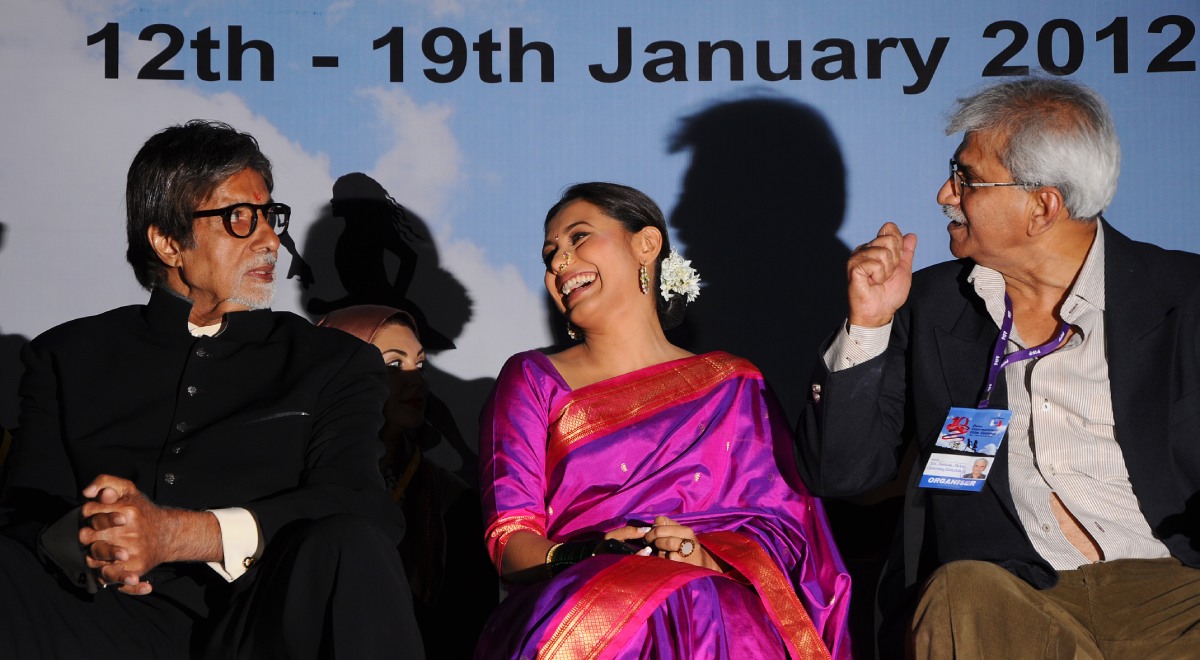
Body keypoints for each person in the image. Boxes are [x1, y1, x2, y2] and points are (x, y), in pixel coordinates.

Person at [795, 77, 1200, 657]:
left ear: (1042, 207)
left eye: (966, 178)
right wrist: (869, 324)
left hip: (1176, 593)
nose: (944, 193)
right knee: (960, 594)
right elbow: (839, 473)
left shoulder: (1185, 297)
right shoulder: (930, 306)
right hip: (1010, 600)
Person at [0, 120, 423, 659]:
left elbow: (362, 504)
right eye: (239, 218)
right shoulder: (66, 355)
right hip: (96, 621)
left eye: (270, 216)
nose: (270, 240)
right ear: (168, 242)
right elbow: (24, 513)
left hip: (261, 620)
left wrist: (183, 534)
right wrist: (97, 539)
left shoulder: (333, 361)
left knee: (351, 542)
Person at [477, 182, 851, 658]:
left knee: (702, 601)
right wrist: (596, 554)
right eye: (550, 254)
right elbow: (510, 541)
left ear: (646, 244)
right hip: (585, 604)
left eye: (579, 237)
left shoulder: (734, 385)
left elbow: (788, 530)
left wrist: (704, 557)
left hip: (718, 605)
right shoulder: (533, 379)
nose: (558, 262)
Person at [319, 304, 497, 656]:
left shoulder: (452, 502)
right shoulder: (292, 478)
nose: (417, 379)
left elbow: (467, 629)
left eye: (420, 364)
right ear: (339, 371)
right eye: (394, 365)